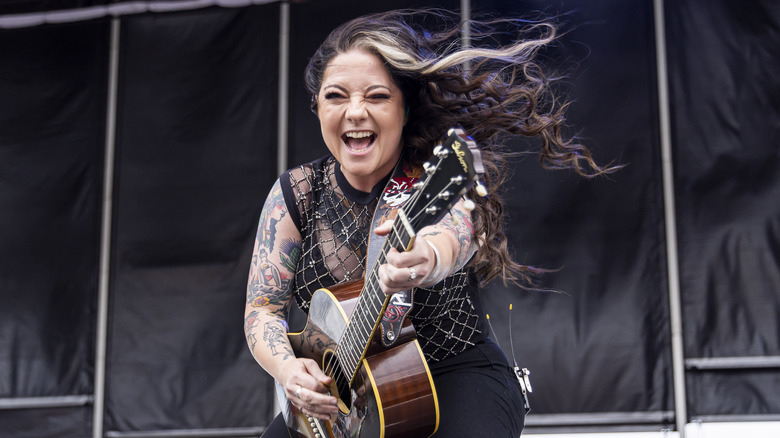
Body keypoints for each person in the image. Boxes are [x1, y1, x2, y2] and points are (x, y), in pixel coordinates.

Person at [244, 9, 612, 437]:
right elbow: (262, 309)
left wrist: (426, 258)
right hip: (336, 405)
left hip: (451, 373)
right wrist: (289, 369)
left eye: (377, 96)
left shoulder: (434, 179)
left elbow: (454, 233)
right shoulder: (296, 193)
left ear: (404, 109)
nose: (355, 111)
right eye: (336, 96)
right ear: (317, 106)